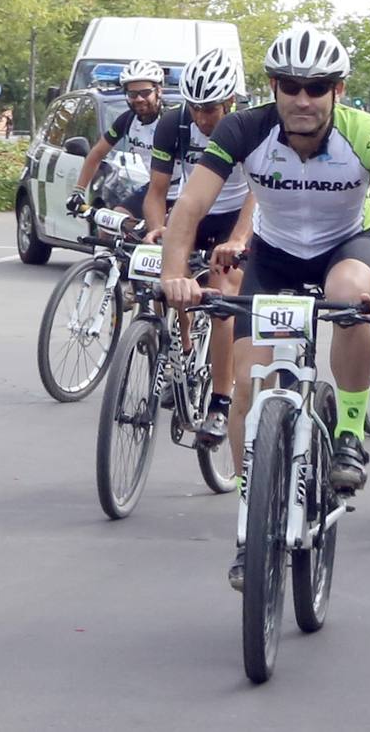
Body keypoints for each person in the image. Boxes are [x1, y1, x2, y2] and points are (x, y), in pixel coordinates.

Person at [159, 23, 370, 590]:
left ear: (338, 91)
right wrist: (174, 276)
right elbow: (190, 207)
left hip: (343, 246)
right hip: (274, 254)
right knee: (247, 389)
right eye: (291, 86)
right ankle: (252, 527)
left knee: (352, 294)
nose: (303, 99)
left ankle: (349, 431)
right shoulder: (241, 128)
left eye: (318, 87)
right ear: (274, 87)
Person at [143, 47, 258, 448]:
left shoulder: (249, 126)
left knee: (222, 295)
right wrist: (158, 229)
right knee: (163, 276)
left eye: (210, 109)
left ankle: (220, 402)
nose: (202, 119)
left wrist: (240, 239)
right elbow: (158, 191)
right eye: (195, 108)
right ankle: (183, 346)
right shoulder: (173, 124)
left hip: (235, 217)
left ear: (230, 101)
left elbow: (257, 196)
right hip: (195, 211)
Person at [68, 58, 167, 219]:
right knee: (110, 225)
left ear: (158, 91)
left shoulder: (171, 119)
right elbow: (97, 154)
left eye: (145, 92)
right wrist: (78, 191)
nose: (139, 99)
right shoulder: (127, 120)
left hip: (179, 190)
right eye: (133, 94)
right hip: (153, 188)